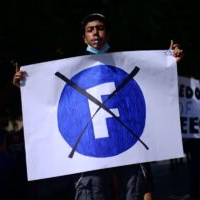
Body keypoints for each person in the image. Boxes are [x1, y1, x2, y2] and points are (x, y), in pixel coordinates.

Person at [13, 13, 183, 200]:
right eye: (90, 29)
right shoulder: (70, 66)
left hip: (128, 143)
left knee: (134, 192)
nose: (95, 33)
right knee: (92, 193)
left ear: (108, 34)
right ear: (84, 37)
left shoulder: (127, 61)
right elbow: (47, 96)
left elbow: (153, 82)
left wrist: (168, 62)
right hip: (90, 147)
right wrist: (25, 84)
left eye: (100, 28)